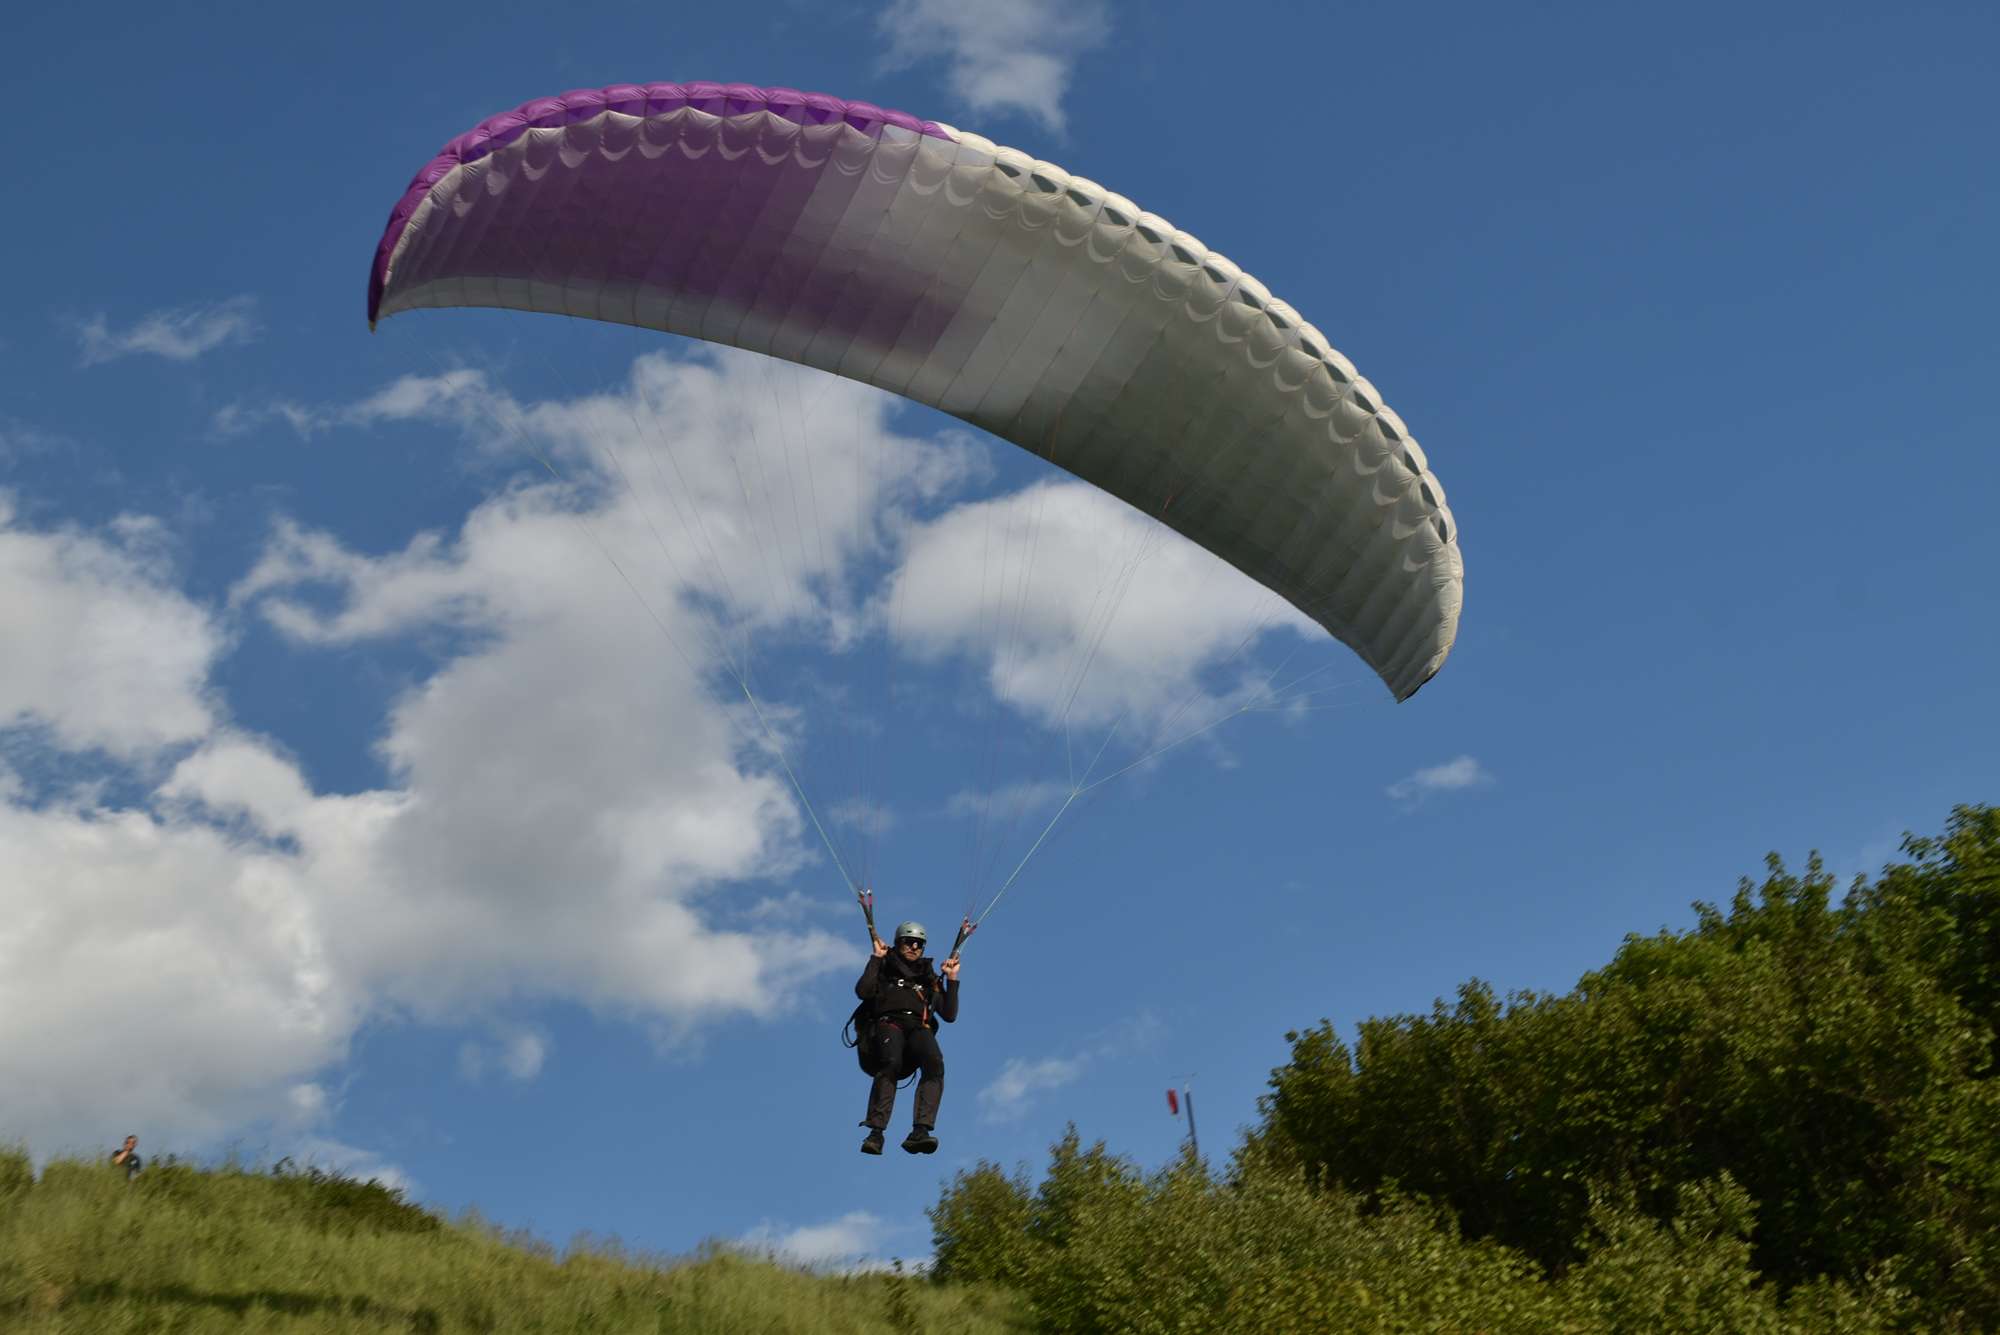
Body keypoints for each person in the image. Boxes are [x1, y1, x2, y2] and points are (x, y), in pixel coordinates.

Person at [854, 920, 960, 1155]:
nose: (914, 947)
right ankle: (876, 1133)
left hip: (918, 1027)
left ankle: (920, 1131)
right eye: (909, 942)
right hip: (889, 1023)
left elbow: (949, 1014)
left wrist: (952, 979)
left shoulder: (928, 977)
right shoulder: (885, 967)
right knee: (891, 1062)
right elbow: (863, 991)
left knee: (935, 1063)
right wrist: (876, 959)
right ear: (898, 942)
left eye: (919, 944)